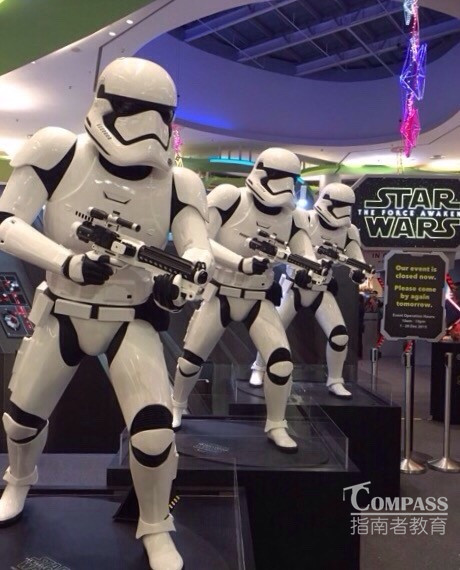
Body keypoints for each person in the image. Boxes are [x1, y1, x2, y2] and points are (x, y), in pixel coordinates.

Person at [0, 57, 214, 570]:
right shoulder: (57, 150)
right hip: (63, 310)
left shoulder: (181, 183)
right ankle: (18, 481)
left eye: (160, 114)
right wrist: (66, 262)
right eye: (133, 109)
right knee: (21, 422)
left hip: (130, 319)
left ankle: (156, 524)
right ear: (104, 104)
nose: (148, 126)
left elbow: (197, 247)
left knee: (154, 432)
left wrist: (183, 280)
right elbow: (7, 222)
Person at [171, 147, 323, 452]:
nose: (284, 186)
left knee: (281, 363)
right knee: (191, 360)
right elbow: (202, 240)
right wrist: (241, 264)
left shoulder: (294, 217)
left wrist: (309, 272)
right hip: (221, 293)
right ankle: (177, 404)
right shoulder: (230, 198)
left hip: (258, 297)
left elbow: (305, 255)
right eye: (277, 176)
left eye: (290, 179)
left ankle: (276, 423)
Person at [250, 183, 367, 399]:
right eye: (338, 205)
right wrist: (299, 269)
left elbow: (357, 261)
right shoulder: (302, 219)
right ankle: (258, 367)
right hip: (294, 285)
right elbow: (284, 250)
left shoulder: (348, 231)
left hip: (321, 288)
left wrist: (358, 273)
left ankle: (335, 380)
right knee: (272, 332)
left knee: (339, 336)